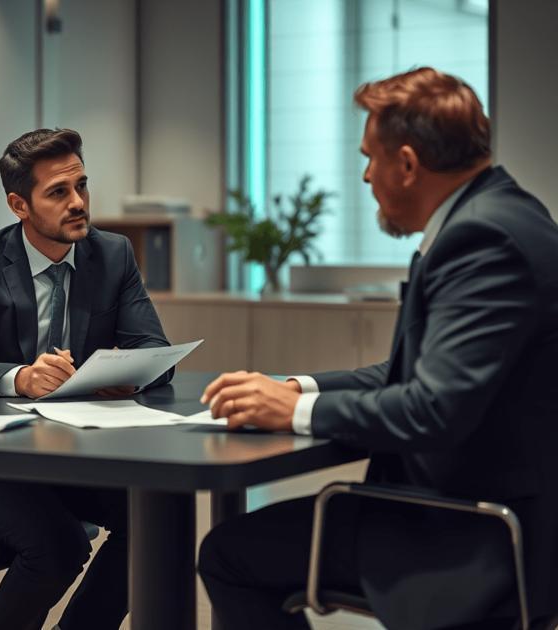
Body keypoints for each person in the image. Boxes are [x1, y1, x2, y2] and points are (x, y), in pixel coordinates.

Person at [197, 67, 558, 630]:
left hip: (468, 532)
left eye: (370, 159)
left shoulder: (482, 240)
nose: (366, 176)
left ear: (408, 165)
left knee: (228, 554)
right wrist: (296, 389)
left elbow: (432, 409)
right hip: (491, 510)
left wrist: (295, 413)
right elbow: (408, 375)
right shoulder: (508, 213)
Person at [0, 128, 173, 630]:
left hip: (71, 454)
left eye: (81, 186)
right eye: (58, 192)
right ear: (19, 205)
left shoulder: (112, 255)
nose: (78, 202)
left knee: (157, 519)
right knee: (58, 545)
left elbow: (156, 349)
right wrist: (21, 378)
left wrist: (128, 374)